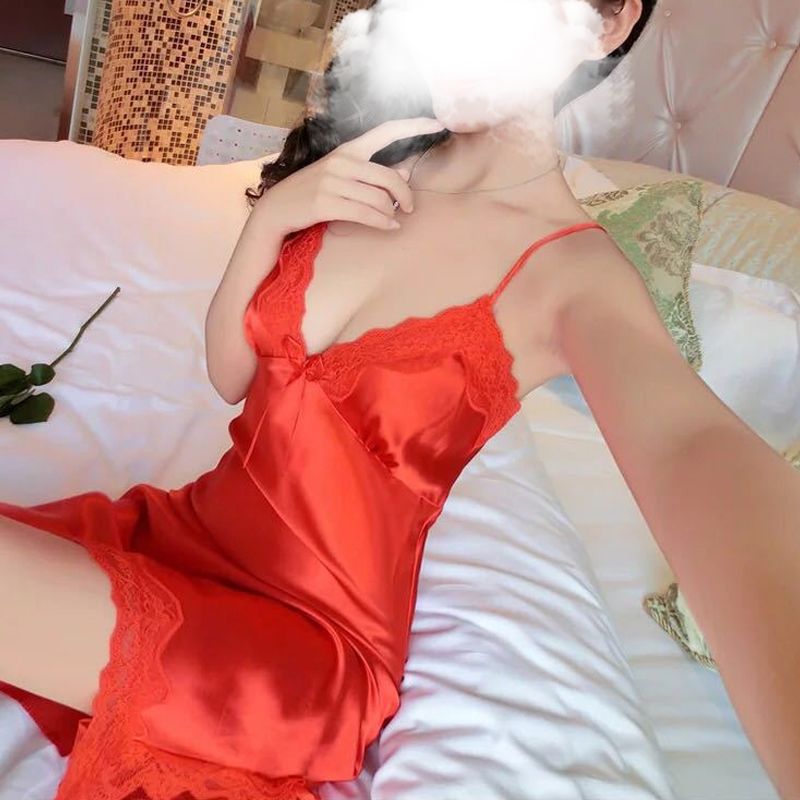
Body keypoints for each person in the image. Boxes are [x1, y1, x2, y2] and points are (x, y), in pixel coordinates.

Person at [1, 1, 798, 799]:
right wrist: (273, 217)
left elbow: (691, 444)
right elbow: (231, 378)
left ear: (608, 22)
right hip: (175, 531)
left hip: (297, 651)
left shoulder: (575, 277)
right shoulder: (371, 164)